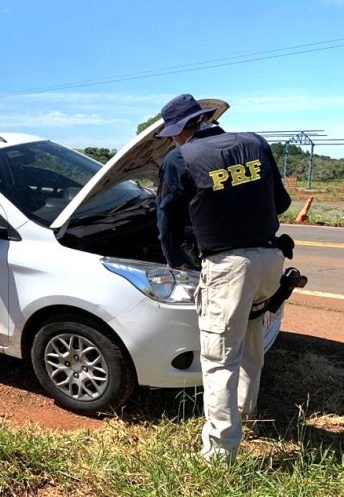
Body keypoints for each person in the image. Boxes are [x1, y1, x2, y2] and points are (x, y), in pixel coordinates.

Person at [154, 94, 292, 463]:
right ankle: (248, 414)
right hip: (271, 260)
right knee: (250, 342)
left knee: (218, 360)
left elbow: (167, 221)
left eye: (172, 134)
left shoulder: (179, 159)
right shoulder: (255, 143)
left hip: (228, 269)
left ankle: (219, 454)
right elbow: (281, 204)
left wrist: (175, 261)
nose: (173, 141)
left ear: (183, 129)